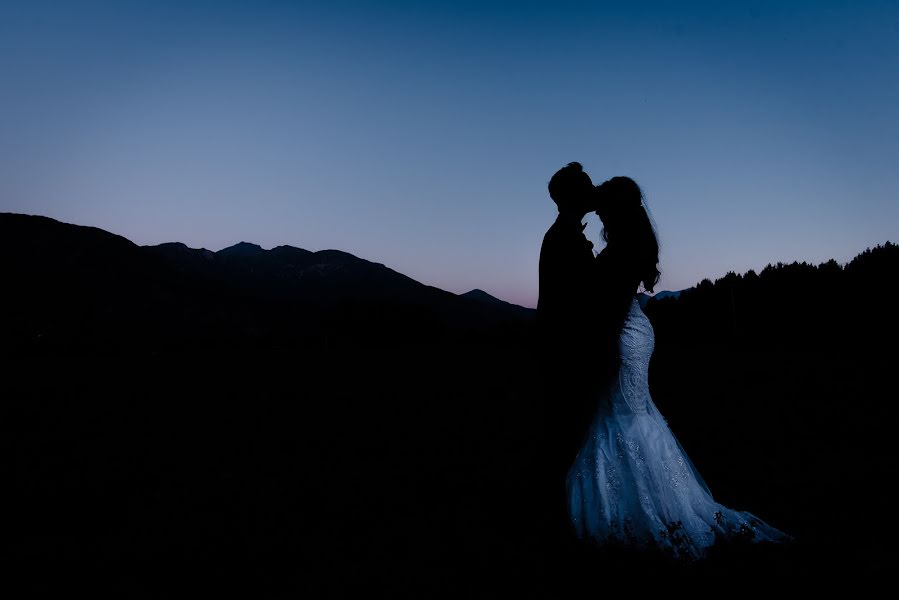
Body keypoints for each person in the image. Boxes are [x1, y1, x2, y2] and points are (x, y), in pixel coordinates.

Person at [566, 176, 790, 559]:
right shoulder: (630, 243)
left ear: (616, 209)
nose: (599, 210)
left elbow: (610, 305)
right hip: (635, 330)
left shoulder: (622, 249)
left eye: (604, 205)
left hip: (623, 333)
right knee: (632, 413)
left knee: (621, 415)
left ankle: (638, 512)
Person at [535, 162, 602, 551]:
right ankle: (560, 524)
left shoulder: (563, 235)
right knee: (564, 437)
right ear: (574, 195)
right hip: (567, 357)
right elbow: (576, 305)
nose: (594, 189)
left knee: (564, 435)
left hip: (563, 354)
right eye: (587, 185)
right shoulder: (564, 239)